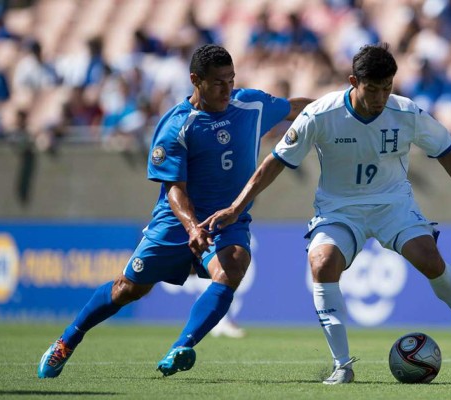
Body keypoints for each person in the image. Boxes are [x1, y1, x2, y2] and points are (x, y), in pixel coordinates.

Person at [202, 43, 451, 385]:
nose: (381, 97)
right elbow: (276, 161)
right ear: (354, 81)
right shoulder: (321, 114)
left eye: (388, 88)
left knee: (429, 257)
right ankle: (342, 365)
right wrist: (237, 207)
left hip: (392, 205)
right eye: (373, 88)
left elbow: (445, 152)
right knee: (322, 264)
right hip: (339, 210)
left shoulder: (406, 112)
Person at [37, 44, 311, 378]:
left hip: (227, 219)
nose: (227, 89)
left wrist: (337, 108)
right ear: (196, 80)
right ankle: (68, 340)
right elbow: (174, 190)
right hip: (177, 222)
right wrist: (193, 228)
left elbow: (295, 108)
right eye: (218, 83)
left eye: (231, 79)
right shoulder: (177, 125)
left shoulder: (249, 104)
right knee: (128, 289)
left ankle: (182, 346)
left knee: (234, 265)